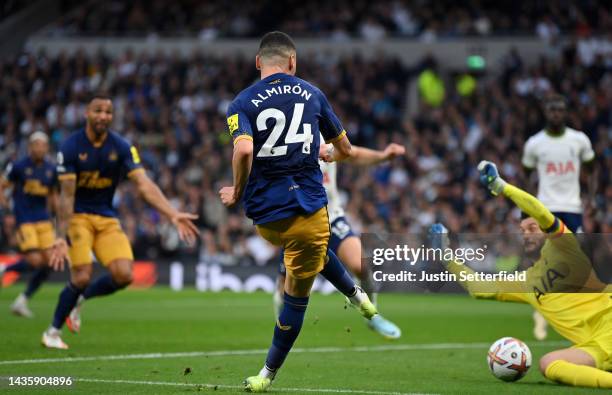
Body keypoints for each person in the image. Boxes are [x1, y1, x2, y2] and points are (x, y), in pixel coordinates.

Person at [219, 31, 378, 392]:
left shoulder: (240, 102)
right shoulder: (312, 93)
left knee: (303, 251)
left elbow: (243, 151)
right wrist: (330, 155)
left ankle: (357, 298)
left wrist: (237, 192)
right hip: (308, 210)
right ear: (293, 62)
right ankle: (267, 375)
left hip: (264, 215)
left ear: (258, 62)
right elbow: (347, 150)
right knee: (297, 292)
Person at [429, 160, 611, 389]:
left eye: (532, 229)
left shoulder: (566, 249)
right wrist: (446, 256)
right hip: (596, 344)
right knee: (549, 363)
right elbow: (480, 288)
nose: (525, 234)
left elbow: (541, 212)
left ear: (545, 232)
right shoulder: (526, 281)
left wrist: (502, 187)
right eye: (522, 230)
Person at [41, 94, 199, 349]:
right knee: (81, 276)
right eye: (98, 111)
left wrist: (172, 213)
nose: (103, 116)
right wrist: (60, 235)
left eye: (108, 112)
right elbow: (66, 196)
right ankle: (52, 331)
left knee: (124, 275)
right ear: (87, 114)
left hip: (106, 218)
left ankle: (80, 300)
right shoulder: (71, 147)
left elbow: (144, 185)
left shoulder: (122, 147)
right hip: (78, 217)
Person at [274, 139, 404, 339]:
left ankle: (373, 316)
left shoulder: (323, 134)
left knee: (360, 264)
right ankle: (281, 326)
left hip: (331, 217)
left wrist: (383, 156)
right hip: (299, 222)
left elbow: (353, 153)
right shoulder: (286, 138)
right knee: (287, 285)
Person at [522, 94, 596, 340]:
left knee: (581, 256)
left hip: (573, 208)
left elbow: (592, 169)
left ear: (565, 112)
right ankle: (542, 314)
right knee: (545, 260)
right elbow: (526, 177)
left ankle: (580, 310)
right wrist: (526, 210)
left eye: (560, 110)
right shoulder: (535, 143)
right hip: (547, 208)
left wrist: (592, 199)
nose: (556, 114)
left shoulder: (579, 140)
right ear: (546, 112)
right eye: (552, 110)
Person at [0, 132, 57, 317]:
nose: (39, 148)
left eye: (43, 145)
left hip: (44, 220)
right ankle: (5, 269)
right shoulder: (18, 166)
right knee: (34, 261)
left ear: (47, 148)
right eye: (36, 145)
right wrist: (7, 212)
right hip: (25, 219)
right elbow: (2, 186)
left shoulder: (51, 169)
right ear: (30, 147)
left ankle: (22, 301)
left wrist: (59, 216)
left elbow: (53, 195)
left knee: (50, 262)